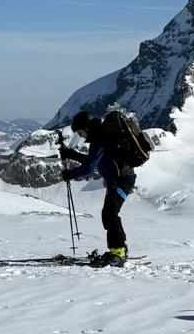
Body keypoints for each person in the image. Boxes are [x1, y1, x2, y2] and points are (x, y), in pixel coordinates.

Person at [59, 110, 137, 267]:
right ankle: (119, 249)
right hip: (119, 180)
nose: (81, 136)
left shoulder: (99, 138)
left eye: (80, 132)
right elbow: (93, 160)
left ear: (86, 128)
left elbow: (89, 166)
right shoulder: (100, 136)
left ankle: (118, 252)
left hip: (121, 180)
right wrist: (71, 154)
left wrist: (70, 174)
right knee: (109, 214)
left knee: (110, 214)